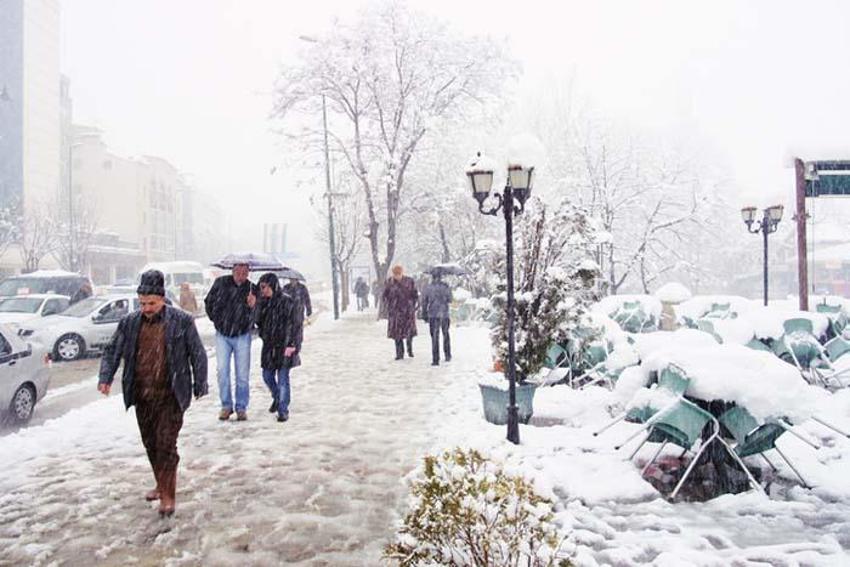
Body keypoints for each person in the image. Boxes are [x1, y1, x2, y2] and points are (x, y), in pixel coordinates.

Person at [97, 270, 208, 518]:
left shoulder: (181, 321)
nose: (146, 308)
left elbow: (197, 353)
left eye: (152, 303)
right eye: (142, 303)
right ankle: (161, 482)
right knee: (151, 443)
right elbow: (112, 350)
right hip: (142, 395)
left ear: (162, 300)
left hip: (171, 395)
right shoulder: (129, 322)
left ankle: (169, 496)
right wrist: (105, 378)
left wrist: (200, 382)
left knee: (166, 444)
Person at [204, 263, 257, 421]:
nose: (241, 275)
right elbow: (209, 302)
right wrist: (217, 319)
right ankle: (226, 406)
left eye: (244, 272)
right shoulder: (221, 283)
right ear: (232, 271)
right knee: (222, 371)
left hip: (242, 335)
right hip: (223, 334)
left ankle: (241, 407)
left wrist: (253, 306)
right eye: (238, 272)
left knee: (242, 374)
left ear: (248, 273)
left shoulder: (251, 289)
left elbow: (258, 314)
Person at [256, 273, 303, 422]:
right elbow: (257, 322)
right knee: (267, 376)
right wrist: (255, 305)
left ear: (272, 285)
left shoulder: (287, 302)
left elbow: (296, 325)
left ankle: (283, 409)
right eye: (260, 287)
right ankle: (277, 397)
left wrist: (294, 344)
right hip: (269, 347)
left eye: (264, 287)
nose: (262, 290)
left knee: (283, 378)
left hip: (285, 345)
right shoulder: (262, 303)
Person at [382, 265, 418, 360]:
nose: (397, 276)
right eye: (395, 274)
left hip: (407, 312)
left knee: (408, 333)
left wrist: (412, 305)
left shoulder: (409, 281)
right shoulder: (389, 283)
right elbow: (384, 296)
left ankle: (409, 349)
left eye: (399, 274)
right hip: (395, 312)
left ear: (402, 273)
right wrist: (388, 305)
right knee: (397, 334)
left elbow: (415, 295)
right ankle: (399, 353)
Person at [421, 272, 453, 366]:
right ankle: (447, 354)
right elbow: (450, 299)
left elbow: (424, 301)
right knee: (446, 334)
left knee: (434, 337)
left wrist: (424, 314)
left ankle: (435, 359)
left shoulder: (428, 287)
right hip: (444, 313)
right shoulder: (446, 286)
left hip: (433, 314)